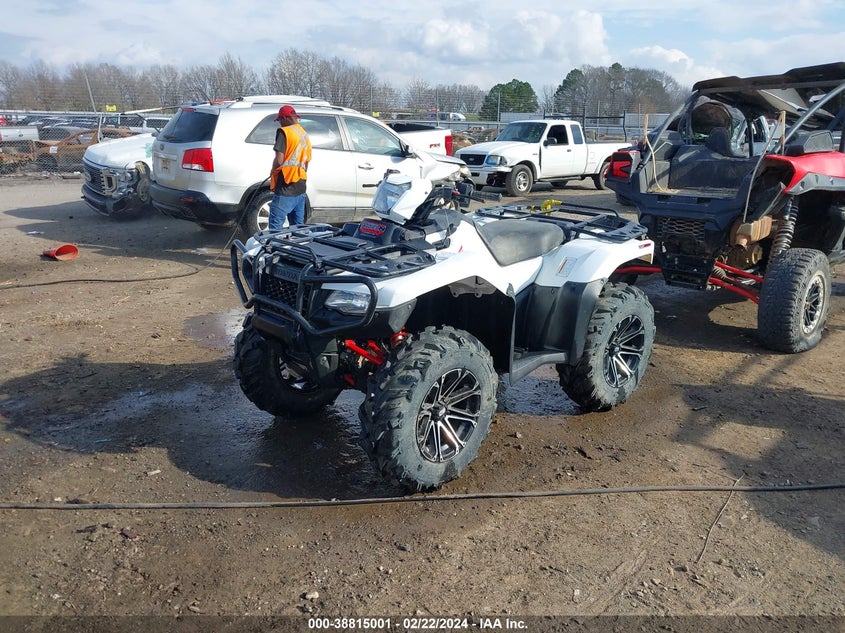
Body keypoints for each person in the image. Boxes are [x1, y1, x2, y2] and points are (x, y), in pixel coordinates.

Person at [268, 104, 311, 229]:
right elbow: (306, 162)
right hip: (301, 185)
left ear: (285, 118)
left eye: (280, 120)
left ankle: (273, 242)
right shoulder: (304, 134)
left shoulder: (284, 132)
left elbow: (279, 160)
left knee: (275, 226)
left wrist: (272, 171)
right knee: (298, 228)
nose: (280, 123)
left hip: (286, 185)